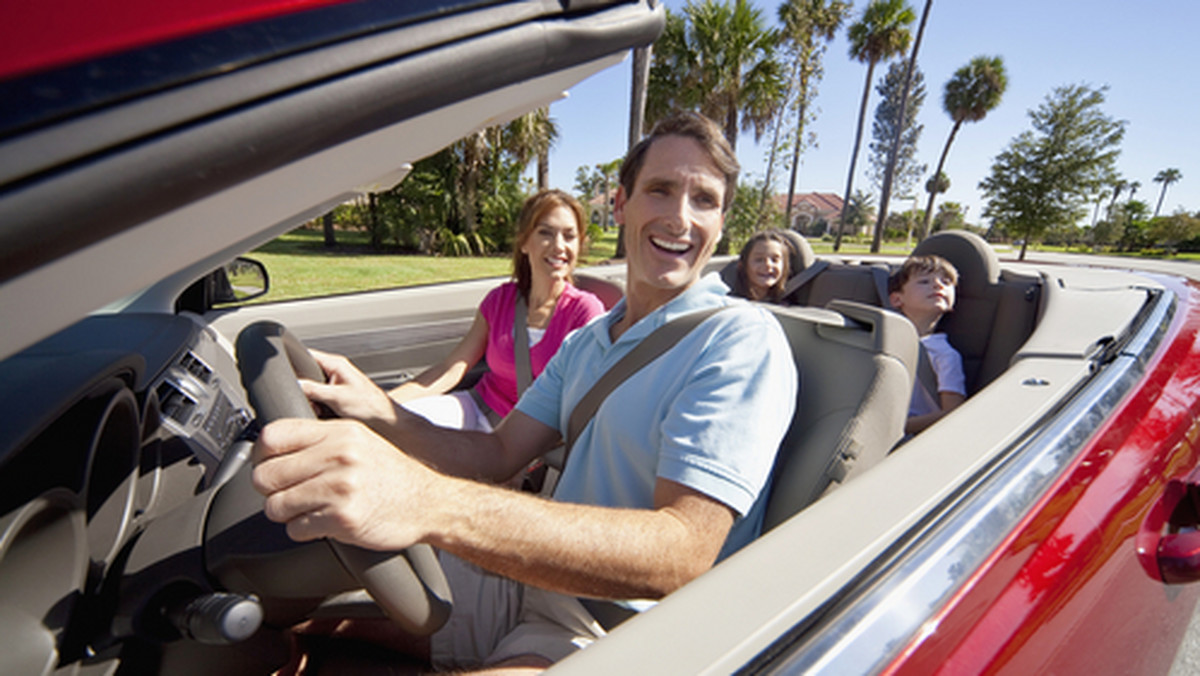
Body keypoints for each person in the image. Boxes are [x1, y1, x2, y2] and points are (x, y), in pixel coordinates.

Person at [251, 111, 798, 673]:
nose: (680, 218)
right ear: (621, 205)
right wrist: (381, 410)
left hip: (616, 629)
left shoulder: (739, 340)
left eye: (704, 200)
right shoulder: (591, 340)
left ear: (722, 221)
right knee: (288, 617)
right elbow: (496, 455)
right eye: (660, 190)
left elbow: (682, 552)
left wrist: (426, 500)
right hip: (532, 580)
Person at [390, 189, 605, 432]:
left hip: (526, 438)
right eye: (545, 233)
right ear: (525, 242)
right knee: (394, 428)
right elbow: (451, 368)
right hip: (478, 407)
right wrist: (385, 404)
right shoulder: (500, 300)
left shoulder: (585, 312)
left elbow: (579, 405)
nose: (559, 246)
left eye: (569, 236)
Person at [888, 254, 966, 435]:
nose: (938, 285)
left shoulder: (945, 355)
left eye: (946, 282)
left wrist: (898, 428)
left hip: (911, 436)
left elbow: (952, 412)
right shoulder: (884, 339)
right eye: (924, 282)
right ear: (897, 299)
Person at [730, 229, 793, 303]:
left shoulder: (790, 303)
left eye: (774, 260)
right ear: (742, 265)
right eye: (759, 260)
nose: (768, 265)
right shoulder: (731, 301)